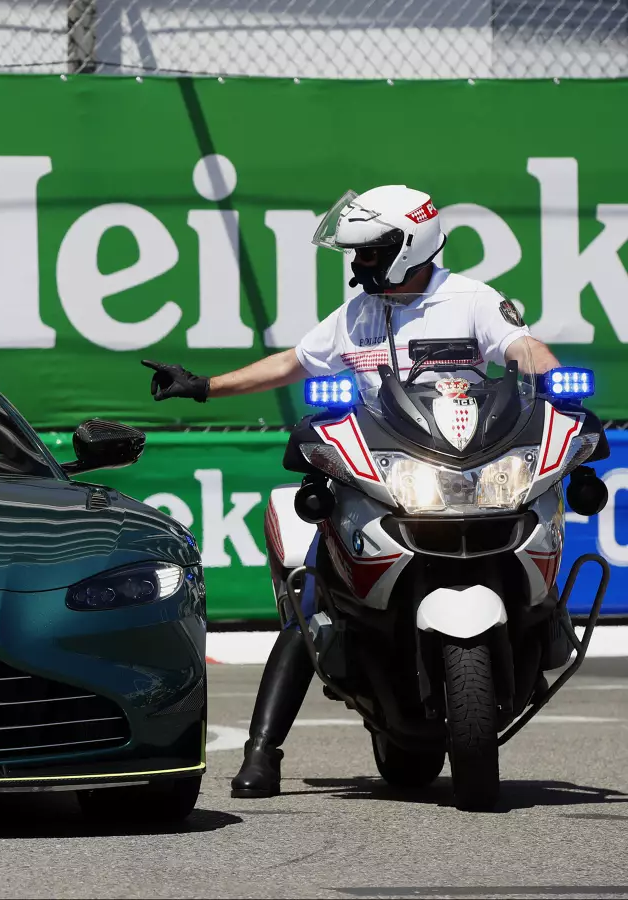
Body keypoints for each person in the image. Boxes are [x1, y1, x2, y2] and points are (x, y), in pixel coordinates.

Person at [141, 185, 561, 798]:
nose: (358, 264)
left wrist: (550, 377)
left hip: (467, 474)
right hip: (381, 476)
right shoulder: (357, 315)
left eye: (371, 252)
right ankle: (264, 750)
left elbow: (521, 346)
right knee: (311, 587)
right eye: (358, 252)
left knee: (539, 522)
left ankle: (542, 627)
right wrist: (204, 385)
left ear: (409, 246)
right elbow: (293, 363)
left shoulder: (471, 299)